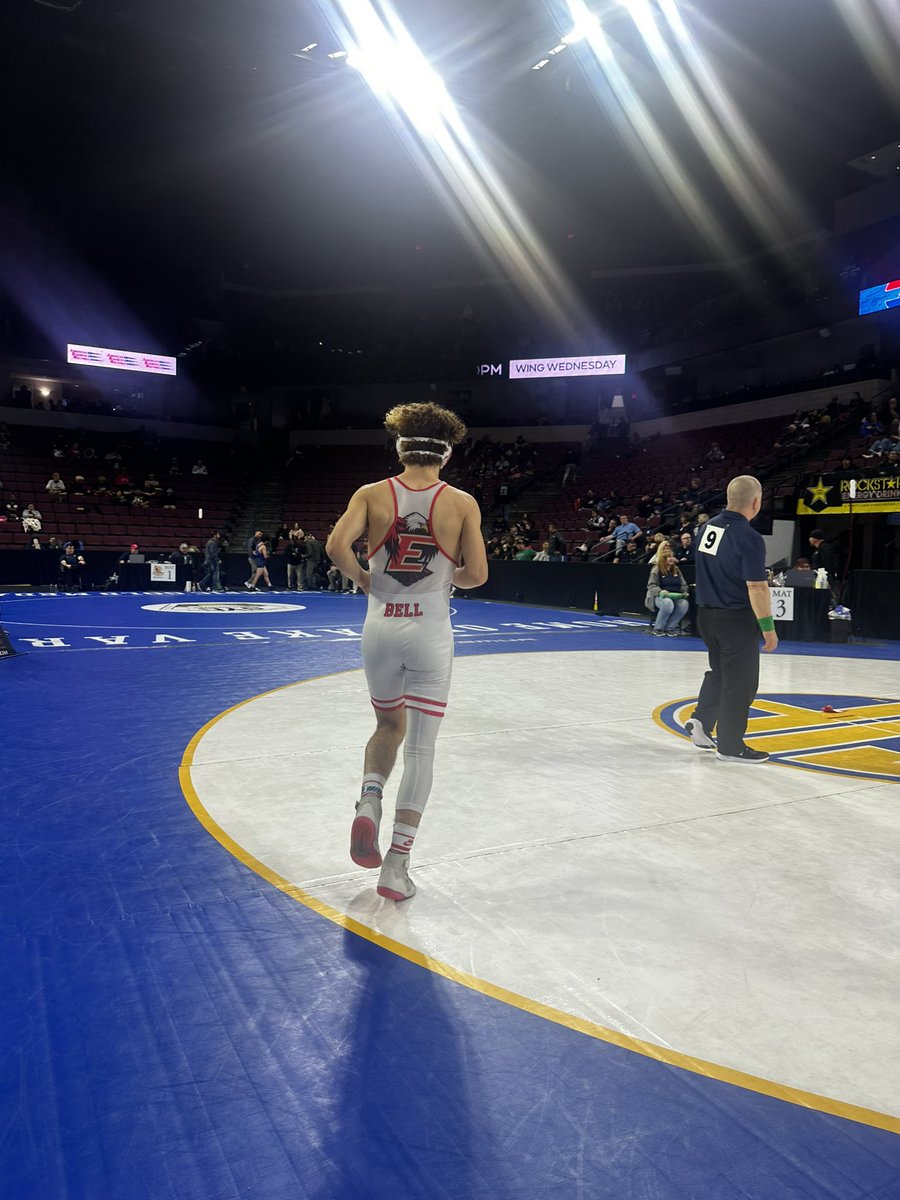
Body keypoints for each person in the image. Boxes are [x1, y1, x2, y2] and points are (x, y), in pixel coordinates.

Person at [326, 401, 488, 901]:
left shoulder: (372, 494)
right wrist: (446, 582)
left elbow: (336, 547)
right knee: (421, 746)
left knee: (386, 726)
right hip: (431, 628)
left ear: (401, 447)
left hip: (380, 625)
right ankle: (396, 866)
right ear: (445, 454)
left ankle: (368, 801)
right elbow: (478, 575)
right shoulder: (461, 503)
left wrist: (365, 580)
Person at [687, 475, 777, 764]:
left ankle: (701, 720)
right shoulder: (748, 536)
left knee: (721, 671)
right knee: (741, 683)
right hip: (734, 619)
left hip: (706, 615)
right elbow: (757, 586)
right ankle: (730, 746)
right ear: (756, 502)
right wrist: (768, 628)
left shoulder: (706, 528)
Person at [645, 541, 690, 636]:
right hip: (659, 596)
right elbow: (651, 585)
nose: (671, 559)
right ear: (664, 559)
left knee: (684, 604)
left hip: (676, 596)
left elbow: (684, 584)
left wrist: (684, 591)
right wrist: (661, 591)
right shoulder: (657, 569)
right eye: (669, 557)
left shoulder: (676, 569)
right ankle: (658, 628)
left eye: (672, 556)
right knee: (668, 603)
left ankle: (670, 628)